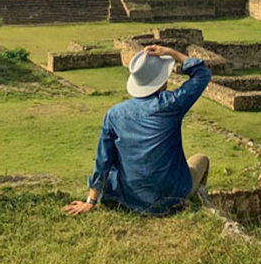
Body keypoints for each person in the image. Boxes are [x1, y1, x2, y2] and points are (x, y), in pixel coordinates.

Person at [62, 45, 212, 216]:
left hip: (130, 198)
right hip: (170, 197)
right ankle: (196, 203)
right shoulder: (171, 104)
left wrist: (91, 201)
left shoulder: (114, 114)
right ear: (162, 79)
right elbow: (202, 74)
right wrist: (172, 53)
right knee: (202, 160)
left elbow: (103, 160)